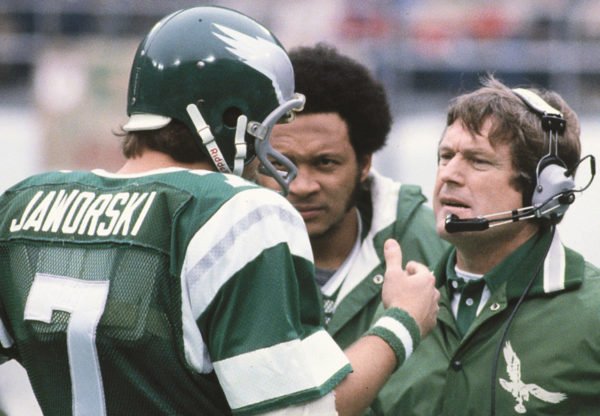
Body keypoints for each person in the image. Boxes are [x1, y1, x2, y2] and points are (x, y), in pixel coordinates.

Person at [0, 6, 440, 416]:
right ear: (230, 119)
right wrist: (401, 322)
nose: (268, 149)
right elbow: (302, 412)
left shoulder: (24, 202)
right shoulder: (238, 212)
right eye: (266, 127)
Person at [381, 75, 600, 415]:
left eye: (478, 161)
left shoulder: (593, 312)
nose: (448, 174)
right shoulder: (399, 303)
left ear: (543, 192)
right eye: (445, 156)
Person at [257, 43, 448, 350]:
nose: (302, 186)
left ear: (365, 164)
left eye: (325, 163)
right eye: (280, 164)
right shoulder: (222, 247)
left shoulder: (436, 246)